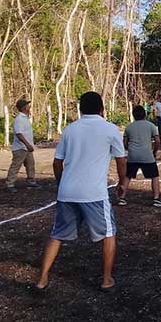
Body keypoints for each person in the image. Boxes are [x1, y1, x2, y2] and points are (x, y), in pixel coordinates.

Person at [35, 92, 127, 292]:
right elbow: (121, 161)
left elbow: (57, 162)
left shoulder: (70, 130)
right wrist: (122, 183)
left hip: (67, 191)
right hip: (94, 193)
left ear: (81, 109)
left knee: (57, 234)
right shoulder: (110, 129)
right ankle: (107, 279)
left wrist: (61, 185)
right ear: (102, 109)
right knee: (109, 233)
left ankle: (42, 279)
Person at [117, 105, 161, 208]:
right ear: (145, 115)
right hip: (147, 156)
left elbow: (125, 142)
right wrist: (154, 151)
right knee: (154, 176)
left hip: (133, 156)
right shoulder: (151, 126)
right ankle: (156, 199)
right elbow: (157, 140)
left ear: (133, 115)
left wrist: (129, 149)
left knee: (127, 176)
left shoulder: (129, 126)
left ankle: (121, 198)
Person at [6, 99, 40, 192]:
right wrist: (27, 144)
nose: (29, 107)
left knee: (30, 164)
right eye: (28, 105)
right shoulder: (19, 119)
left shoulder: (25, 118)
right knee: (16, 165)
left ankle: (31, 181)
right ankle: (10, 184)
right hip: (20, 147)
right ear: (24, 107)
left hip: (26, 147)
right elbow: (19, 134)